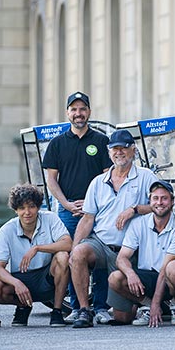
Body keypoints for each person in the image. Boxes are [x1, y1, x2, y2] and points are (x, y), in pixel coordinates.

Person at [69, 129, 158, 328]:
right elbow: (87, 219)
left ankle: (148, 305)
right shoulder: (97, 182)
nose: (119, 153)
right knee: (79, 253)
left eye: (124, 148)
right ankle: (84, 310)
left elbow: (160, 205)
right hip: (101, 244)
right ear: (108, 153)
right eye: (114, 149)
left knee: (122, 319)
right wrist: (73, 249)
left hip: (130, 251)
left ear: (133, 151)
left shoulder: (146, 176)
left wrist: (134, 209)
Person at [42, 91, 113, 324]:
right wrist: (66, 204)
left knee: (100, 256)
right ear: (67, 113)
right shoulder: (57, 144)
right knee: (73, 256)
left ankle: (101, 307)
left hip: (98, 212)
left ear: (89, 112)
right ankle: (76, 306)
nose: (78, 113)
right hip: (68, 212)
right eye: (74, 109)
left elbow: (107, 177)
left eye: (82, 109)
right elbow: (51, 180)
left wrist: (92, 204)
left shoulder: (102, 141)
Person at [108, 180, 175, 327]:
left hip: (170, 278)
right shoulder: (138, 223)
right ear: (150, 201)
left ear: (172, 201)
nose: (159, 202)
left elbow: (165, 267)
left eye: (164, 198)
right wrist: (130, 274)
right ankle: (146, 306)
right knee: (115, 278)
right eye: (155, 198)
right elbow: (121, 258)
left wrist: (157, 302)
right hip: (147, 276)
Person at [0, 184, 72, 327]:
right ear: (16, 210)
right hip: (20, 277)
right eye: (22, 208)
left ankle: (57, 311)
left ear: (38, 207)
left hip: (46, 277)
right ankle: (23, 306)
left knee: (63, 256)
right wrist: (17, 283)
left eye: (31, 206)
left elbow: (68, 244)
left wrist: (38, 248)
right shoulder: (6, 230)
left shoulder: (50, 218)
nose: (27, 212)